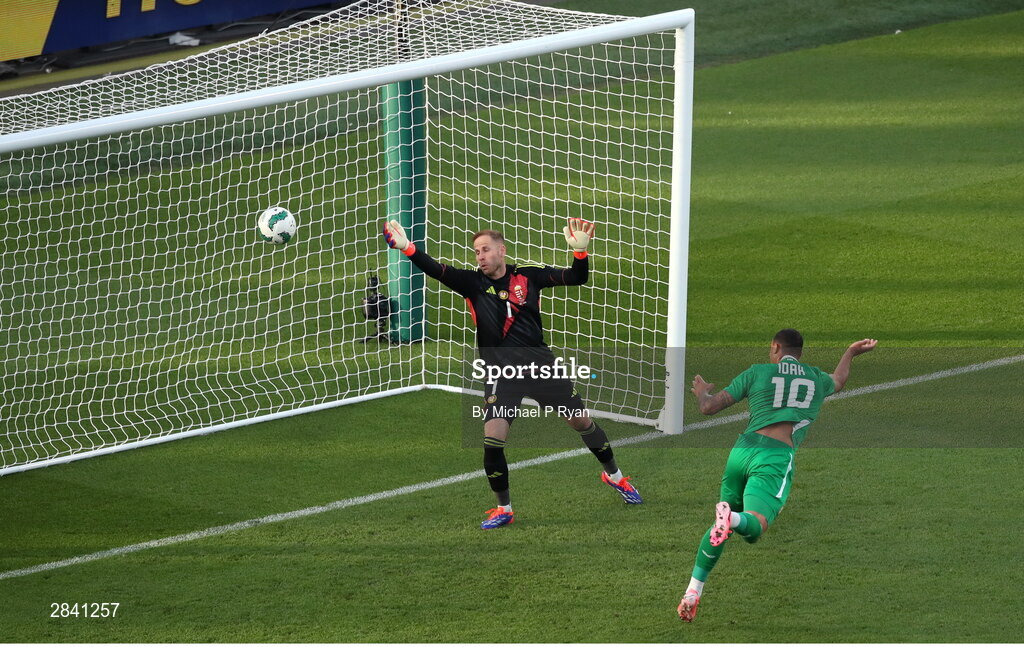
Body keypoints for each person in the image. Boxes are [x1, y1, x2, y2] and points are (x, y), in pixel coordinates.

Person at [383, 217, 642, 529]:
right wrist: (408, 249)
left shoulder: (529, 277)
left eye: (485, 250)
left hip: (541, 367)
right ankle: (504, 508)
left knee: (582, 423)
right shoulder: (472, 283)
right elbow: (437, 269)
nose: (479, 256)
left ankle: (614, 476)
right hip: (502, 374)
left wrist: (580, 253)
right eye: (476, 251)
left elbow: (576, 278)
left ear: (501, 251)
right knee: (493, 439)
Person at [677, 329, 877, 621]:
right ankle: (730, 518)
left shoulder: (757, 372)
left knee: (722, 530)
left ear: (775, 347)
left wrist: (702, 392)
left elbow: (709, 407)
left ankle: (693, 591)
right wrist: (850, 352)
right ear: (800, 353)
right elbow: (839, 380)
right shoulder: (816, 378)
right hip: (774, 458)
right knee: (754, 527)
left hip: (741, 451)